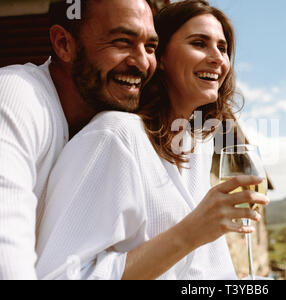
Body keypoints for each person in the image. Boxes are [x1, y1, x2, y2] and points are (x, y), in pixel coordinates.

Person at [35, 0, 269, 280]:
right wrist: (190, 232)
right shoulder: (114, 136)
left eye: (223, 47)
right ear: (161, 58)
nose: (218, 58)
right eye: (199, 43)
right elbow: (59, 275)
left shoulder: (198, 145)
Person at [0, 0, 158, 279]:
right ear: (63, 44)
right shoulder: (16, 96)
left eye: (150, 47)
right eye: (122, 42)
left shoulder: (109, 132)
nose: (143, 62)